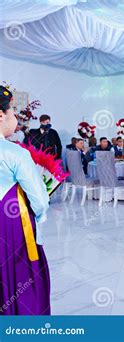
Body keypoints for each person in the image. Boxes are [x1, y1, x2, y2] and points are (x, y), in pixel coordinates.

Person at [0, 86, 51, 315]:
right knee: (19, 273)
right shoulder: (15, 153)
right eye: (13, 115)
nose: (16, 121)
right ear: (1, 116)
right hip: (10, 223)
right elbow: (39, 199)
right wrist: (40, 215)